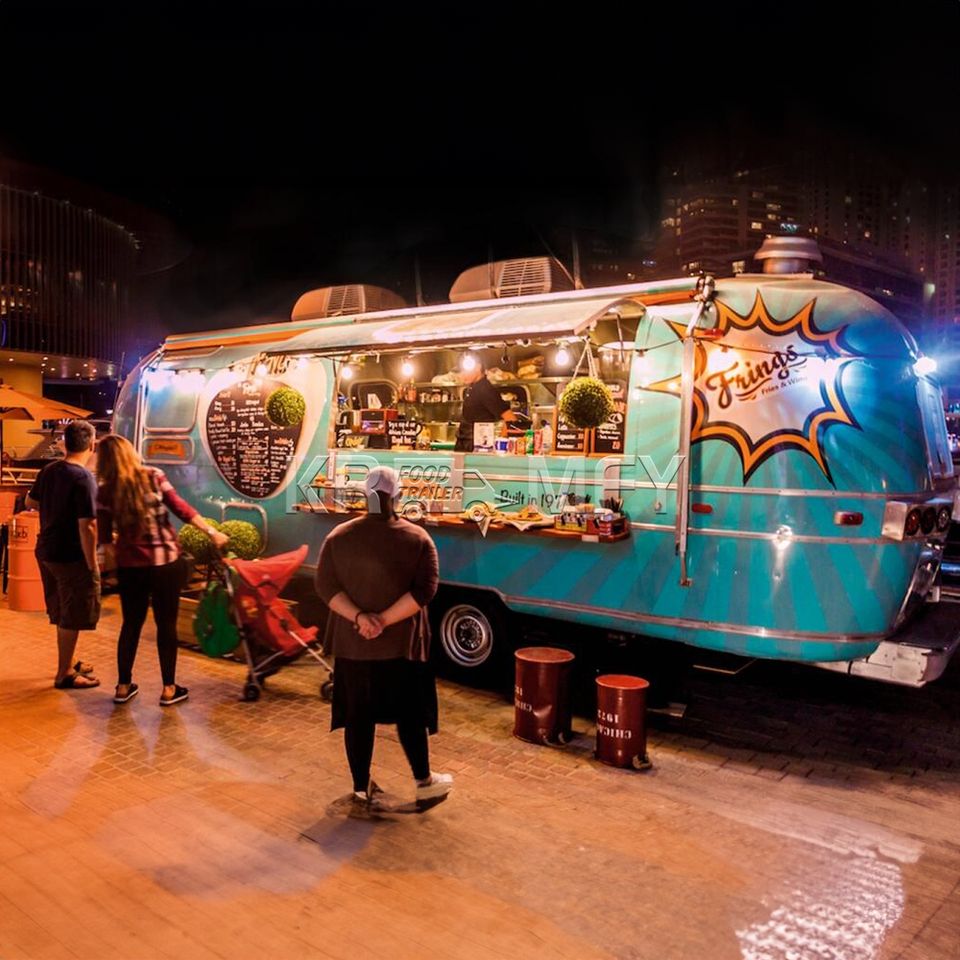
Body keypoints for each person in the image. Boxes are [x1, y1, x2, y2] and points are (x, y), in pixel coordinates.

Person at [315, 465, 452, 813]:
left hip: (353, 646)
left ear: (365, 496)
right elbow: (425, 591)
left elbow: (325, 586)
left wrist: (361, 619)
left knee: (358, 718)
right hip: (403, 647)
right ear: (398, 497)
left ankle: (361, 790)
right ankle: (424, 783)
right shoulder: (418, 539)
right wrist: (384, 621)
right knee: (410, 716)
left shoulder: (339, 536)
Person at [95, 435, 229, 706]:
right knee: (166, 624)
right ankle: (169, 688)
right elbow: (182, 509)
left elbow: (105, 540)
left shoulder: (104, 491)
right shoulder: (153, 476)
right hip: (165, 562)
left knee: (131, 624)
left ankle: (123, 686)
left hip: (131, 567)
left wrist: (114, 565)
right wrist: (212, 532)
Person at [26, 419, 101, 690]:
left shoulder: (49, 470)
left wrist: (55, 507)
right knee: (73, 612)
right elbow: (88, 526)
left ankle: (69, 659)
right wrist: (92, 564)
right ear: (92, 445)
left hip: (46, 551)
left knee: (61, 609)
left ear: (65, 443)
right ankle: (64, 673)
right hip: (71, 556)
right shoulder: (84, 478)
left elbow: (30, 501)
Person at [454, 358, 520, 451]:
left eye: (466, 370)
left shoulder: (485, 389)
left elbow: (511, 419)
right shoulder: (472, 388)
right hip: (465, 448)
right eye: (461, 371)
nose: (463, 374)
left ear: (478, 367)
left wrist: (499, 443)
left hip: (476, 450)